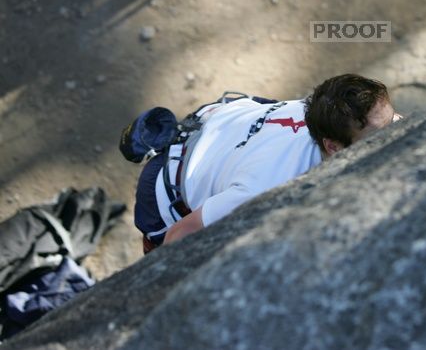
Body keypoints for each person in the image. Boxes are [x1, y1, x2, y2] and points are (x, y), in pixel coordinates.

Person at [135, 74, 401, 253]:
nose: (400, 128)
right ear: (332, 146)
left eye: (393, 119)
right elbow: (178, 237)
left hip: (221, 123)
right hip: (165, 191)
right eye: (383, 132)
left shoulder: (321, 110)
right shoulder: (270, 185)